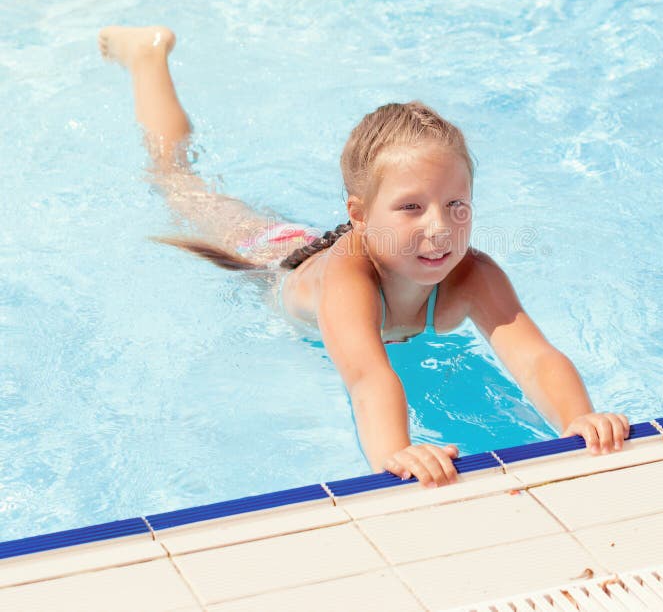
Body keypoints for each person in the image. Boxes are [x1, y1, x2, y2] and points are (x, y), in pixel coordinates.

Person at [98, 25, 630, 489]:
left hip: (326, 243)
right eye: (412, 207)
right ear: (359, 213)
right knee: (180, 182)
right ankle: (147, 56)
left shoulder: (474, 276)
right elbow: (368, 376)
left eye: (456, 205)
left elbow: (534, 357)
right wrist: (396, 453)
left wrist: (579, 420)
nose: (439, 229)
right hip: (270, 260)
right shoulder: (349, 280)